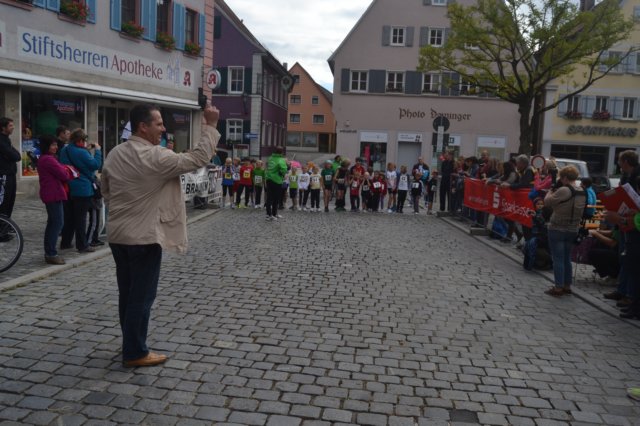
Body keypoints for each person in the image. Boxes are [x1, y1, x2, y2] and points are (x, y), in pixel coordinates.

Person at [101, 103, 220, 367]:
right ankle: (135, 352)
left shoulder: (115, 153)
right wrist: (211, 126)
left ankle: (130, 344)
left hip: (118, 235)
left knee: (127, 294)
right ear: (142, 127)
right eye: (159, 123)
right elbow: (198, 158)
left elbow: (105, 188)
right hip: (143, 237)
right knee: (141, 298)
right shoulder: (155, 156)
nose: (163, 128)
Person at [604, 150, 640, 320]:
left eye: (619, 160)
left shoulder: (635, 176)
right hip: (627, 223)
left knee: (633, 264)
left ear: (625, 161)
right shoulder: (626, 176)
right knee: (626, 260)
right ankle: (624, 291)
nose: (618, 163)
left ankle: (631, 298)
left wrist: (623, 219)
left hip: (632, 227)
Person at [543, 165, 586, 296]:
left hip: (558, 227)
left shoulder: (564, 190)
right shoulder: (582, 190)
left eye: (561, 178)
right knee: (567, 258)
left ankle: (558, 287)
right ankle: (567, 285)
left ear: (565, 178)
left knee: (558, 258)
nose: (561, 180)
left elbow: (547, 202)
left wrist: (550, 191)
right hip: (573, 228)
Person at [59, 129, 102, 253]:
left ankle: (66, 242)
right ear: (80, 140)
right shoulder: (81, 152)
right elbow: (96, 165)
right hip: (82, 188)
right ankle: (82, 245)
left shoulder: (65, 150)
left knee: (69, 217)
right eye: (84, 140)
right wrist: (97, 151)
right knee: (81, 219)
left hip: (68, 187)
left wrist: (85, 149)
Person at [37, 135, 72, 265]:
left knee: (53, 223)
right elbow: (64, 175)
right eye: (53, 145)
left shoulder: (47, 158)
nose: (56, 147)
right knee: (57, 223)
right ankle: (51, 253)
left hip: (52, 193)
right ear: (47, 146)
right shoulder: (48, 160)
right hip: (53, 194)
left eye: (56, 145)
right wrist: (66, 170)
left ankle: (50, 252)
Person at [0, 117, 20, 240]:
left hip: (11, 175)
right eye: (10, 125)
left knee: (10, 202)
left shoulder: (7, 139)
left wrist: (12, 155)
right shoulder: (1, 140)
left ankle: (6, 227)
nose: (13, 127)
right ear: (3, 127)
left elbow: (17, 155)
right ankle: (1, 232)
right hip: (4, 176)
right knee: (4, 203)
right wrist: (12, 155)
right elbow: (14, 155)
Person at [265, 146, 287, 221]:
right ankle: (273, 214)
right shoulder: (281, 160)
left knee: (269, 197)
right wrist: (282, 173)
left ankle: (268, 214)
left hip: (269, 179)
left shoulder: (270, 158)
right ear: (282, 152)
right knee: (276, 198)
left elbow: (267, 167)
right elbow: (284, 170)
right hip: (276, 180)